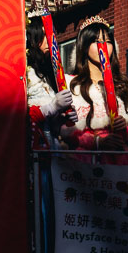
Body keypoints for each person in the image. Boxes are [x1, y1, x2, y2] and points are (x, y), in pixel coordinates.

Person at [59, 16, 128, 163]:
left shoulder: (125, 84)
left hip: (121, 159)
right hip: (83, 161)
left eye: (107, 41)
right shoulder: (71, 84)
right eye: (96, 41)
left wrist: (126, 126)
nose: (102, 46)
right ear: (84, 46)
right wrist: (97, 141)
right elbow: (64, 128)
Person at [26, 11, 77, 150]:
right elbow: (21, 117)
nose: (49, 40)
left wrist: (63, 119)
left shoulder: (48, 75)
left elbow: (52, 126)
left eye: (51, 35)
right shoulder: (25, 73)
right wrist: (52, 107)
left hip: (51, 149)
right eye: (44, 35)